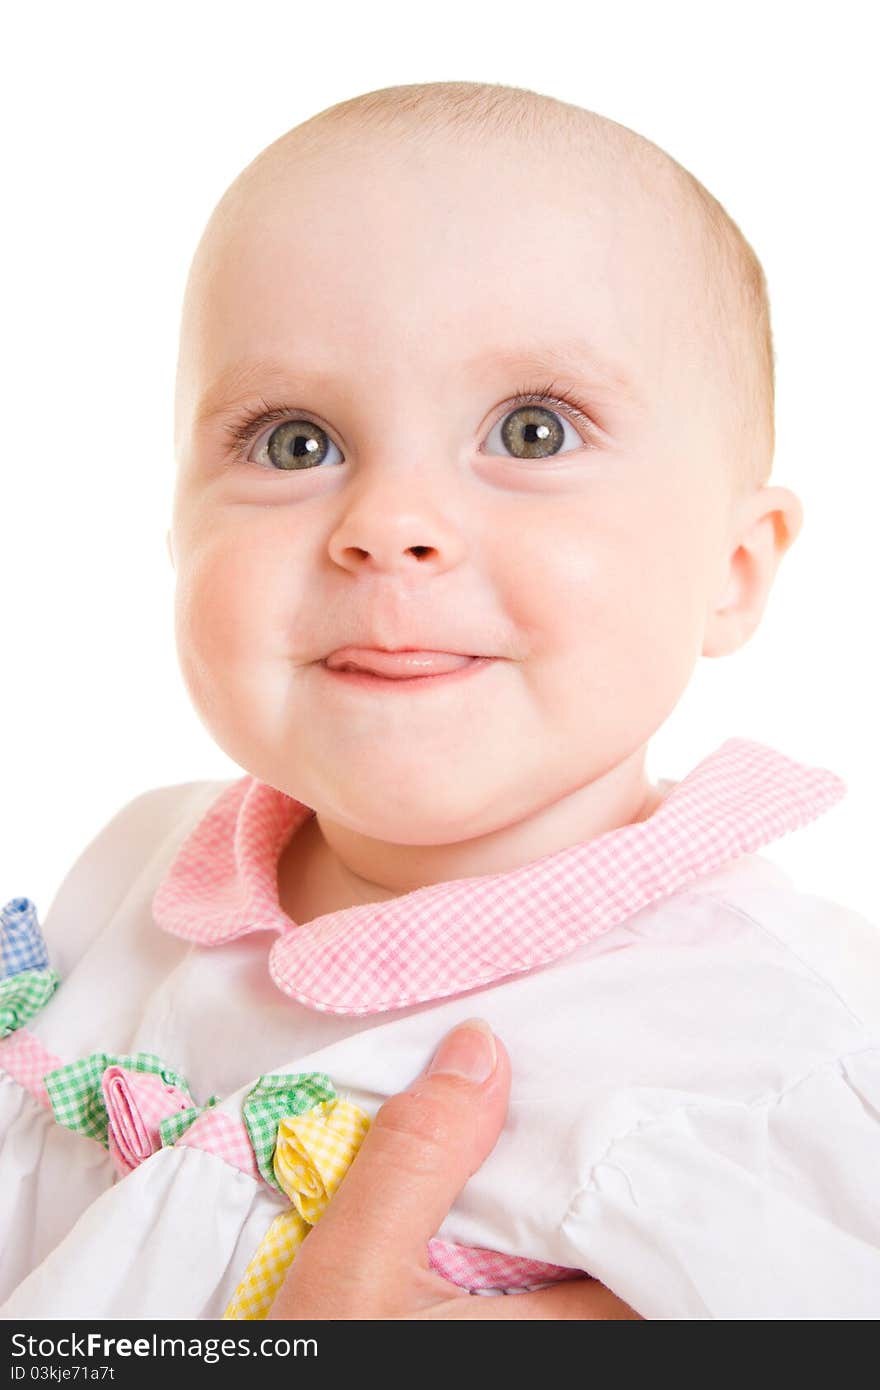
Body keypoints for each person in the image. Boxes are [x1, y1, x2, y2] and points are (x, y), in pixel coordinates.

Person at [1, 80, 879, 1321]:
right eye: (294, 441)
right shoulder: (135, 869)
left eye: (530, 432)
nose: (390, 525)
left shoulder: (782, 1048)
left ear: (731, 573)